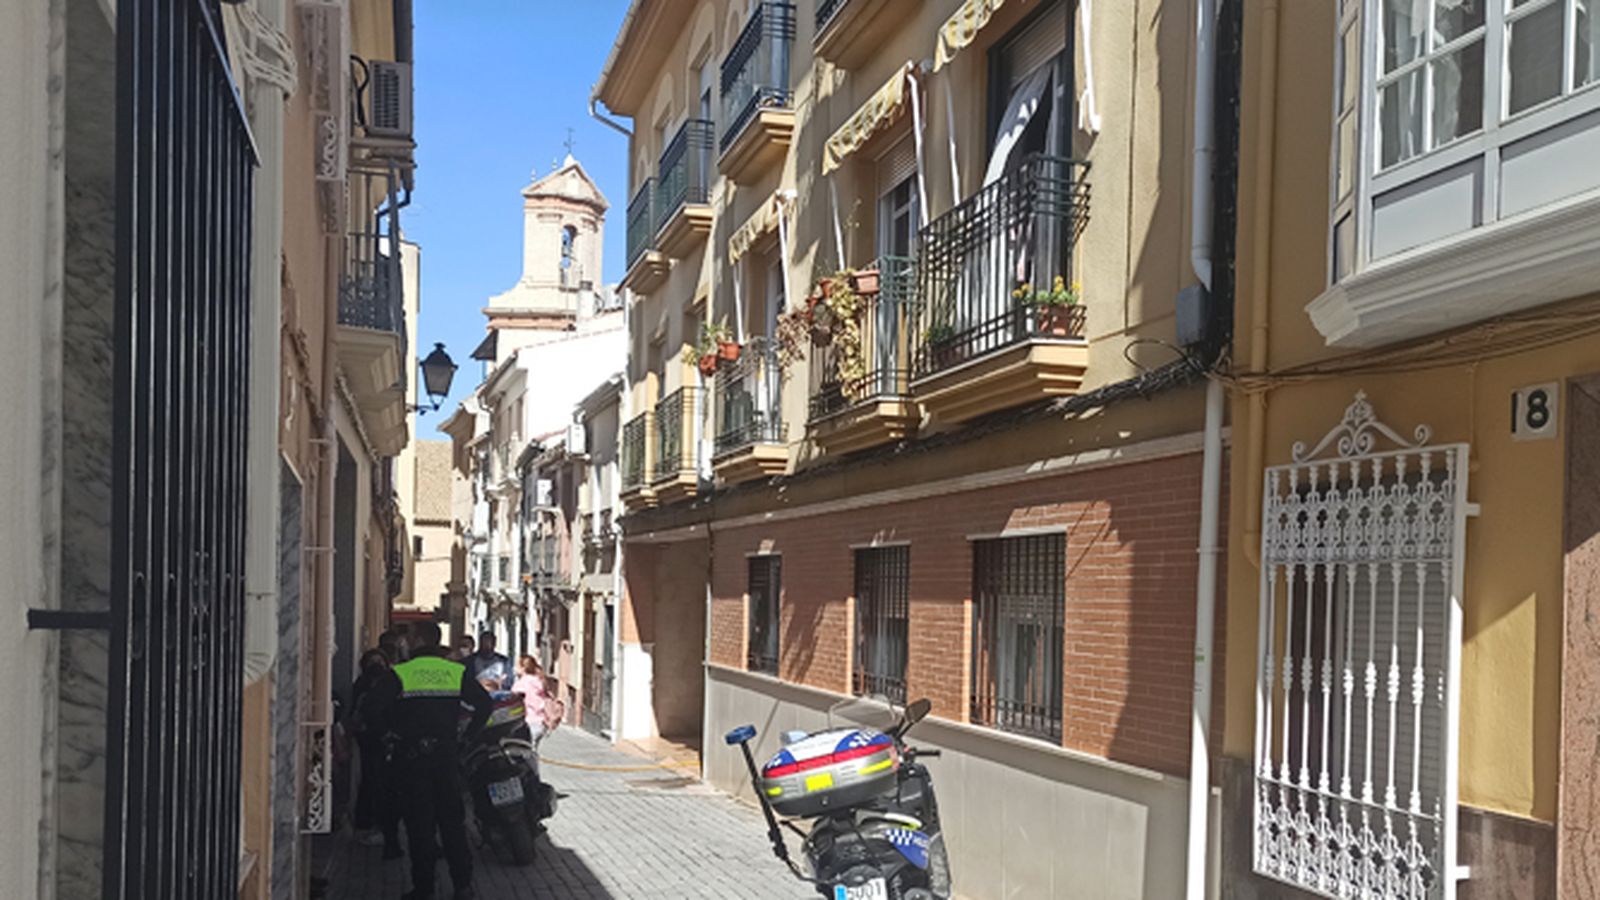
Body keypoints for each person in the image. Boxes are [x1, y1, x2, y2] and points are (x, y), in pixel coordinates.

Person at [368, 621, 493, 900]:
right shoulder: (455, 672)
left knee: (419, 827)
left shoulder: (401, 673)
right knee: (453, 825)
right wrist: (466, 737)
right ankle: (463, 886)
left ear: (419, 640)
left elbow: (371, 708)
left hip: (412, 761)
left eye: (410, 636)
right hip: (446, 759)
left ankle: (424, 889)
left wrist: (389, 734)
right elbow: (484, 704)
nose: (406, 641)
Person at [349, 649, 402, 858]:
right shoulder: (363, 684)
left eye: (380, 660)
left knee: (383, 785)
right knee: (372, 781)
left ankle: (383, 830)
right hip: (370, 739)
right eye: (372, 661)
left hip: (384, 741)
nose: (376, 665)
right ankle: (369, 824)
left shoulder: (390, 683)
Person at [510, 656, 550, 744]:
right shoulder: (538, 681)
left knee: (527, 751)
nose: (514, 668)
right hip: (540, 720)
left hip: (528, 721)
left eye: (517, 666)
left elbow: (513, 701)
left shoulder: (521, 684)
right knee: (533, 749)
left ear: (523, 668)